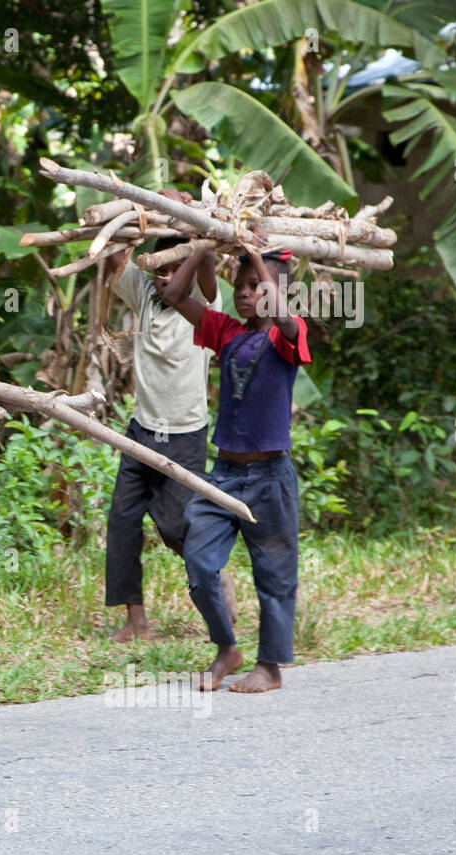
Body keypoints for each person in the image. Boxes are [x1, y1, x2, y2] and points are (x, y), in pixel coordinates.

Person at [161, 242, 311, 693]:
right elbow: (173, 296)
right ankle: (227, 647)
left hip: (271, 478)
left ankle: (270, 667)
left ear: (276, 291)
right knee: (200, 561)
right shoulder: (226, 331)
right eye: (239, 285)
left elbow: (284, 319)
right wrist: (202, 242)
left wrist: (257, 256)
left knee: (275, 577)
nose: (244, 294)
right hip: (224, 475)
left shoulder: (288, 335)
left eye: (254, 287)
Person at [105, 221, 237, 643]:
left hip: (185, 436)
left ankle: (218, 579)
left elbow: (207, 271)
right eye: (159, 271)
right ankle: (136, 619)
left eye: (173, 271)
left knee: (178, 526)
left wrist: (199, 240)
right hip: (141, 431)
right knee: (123, 520)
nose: (165, 280)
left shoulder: (200, 302)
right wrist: (136, 214)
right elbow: (112, 252)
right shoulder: (142, 294)